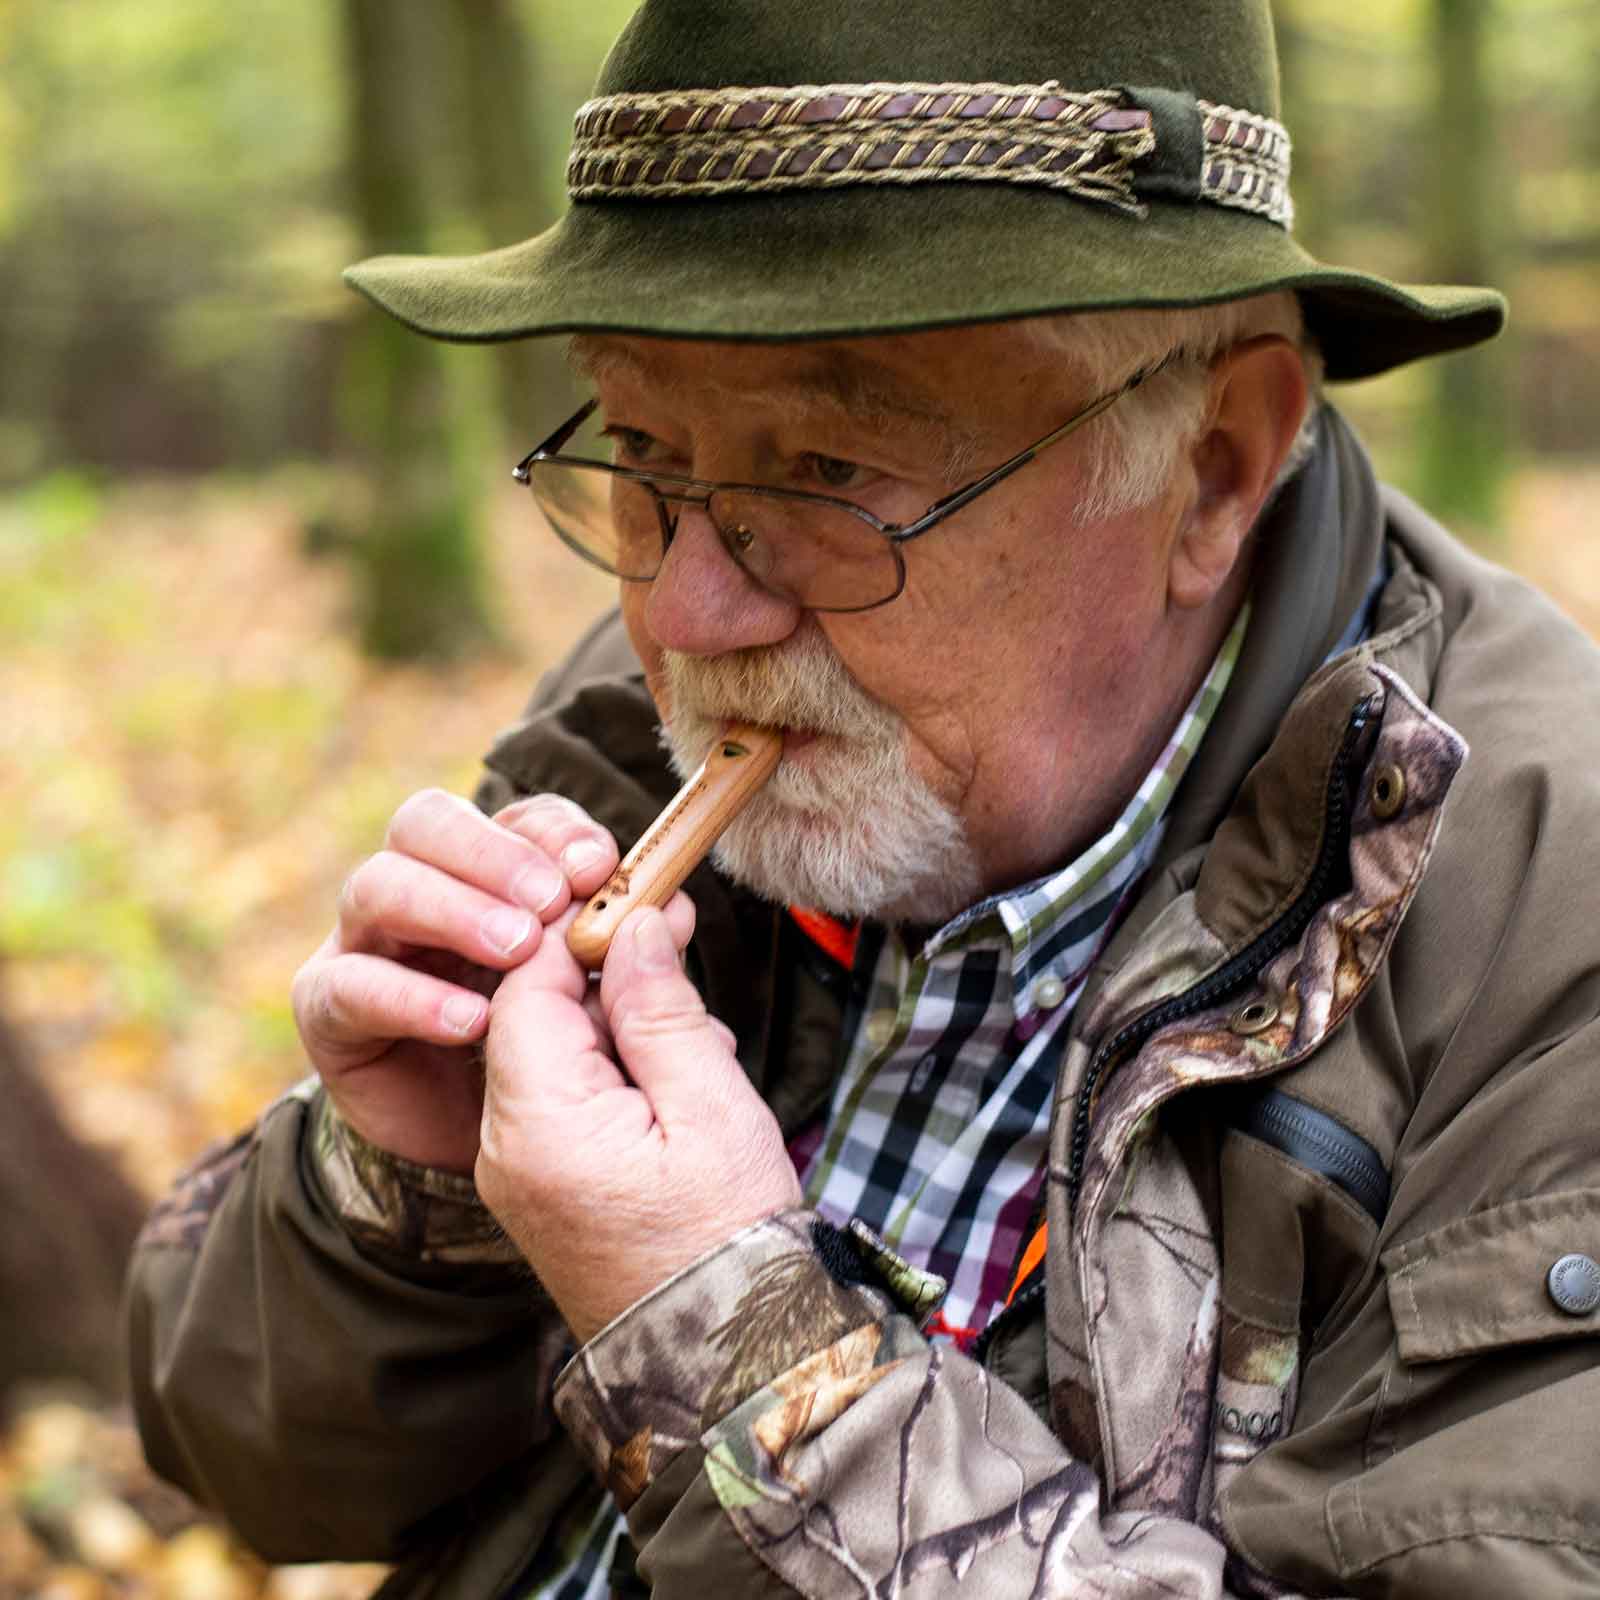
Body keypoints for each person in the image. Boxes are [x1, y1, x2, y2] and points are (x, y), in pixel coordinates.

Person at [126, 0, 1600, 1595]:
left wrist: (726, 1338)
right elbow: (243, 1454)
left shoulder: (1544, 930)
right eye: (642, 446)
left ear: (1217, 469)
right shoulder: (647, 722)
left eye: (826, 475)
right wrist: (410, 1196)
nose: (690, 612)